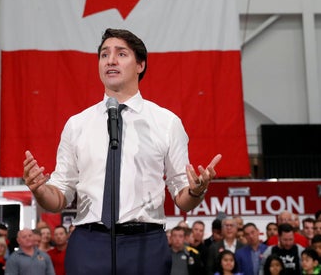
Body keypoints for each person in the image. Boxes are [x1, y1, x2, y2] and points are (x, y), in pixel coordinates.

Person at [22, 28, 221, 275]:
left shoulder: (166, 122)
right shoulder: (77, 124)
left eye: (121, 53)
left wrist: (196, 190)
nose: (111, 60)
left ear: (140, 65)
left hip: (145, 245)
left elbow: (182, 197)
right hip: (88, 244)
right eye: (104, 54)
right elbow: (59, 196)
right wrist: (40, 190)